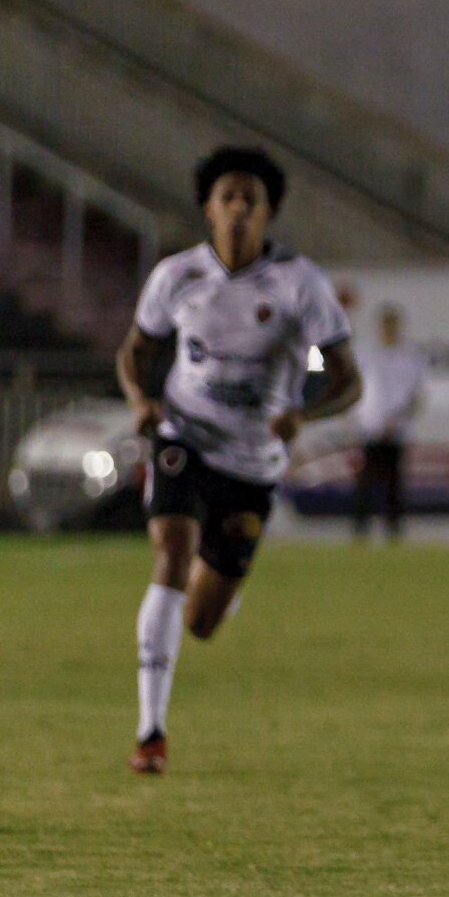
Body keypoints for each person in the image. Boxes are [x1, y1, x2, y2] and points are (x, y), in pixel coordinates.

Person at [117, 146, 361, 775]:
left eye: (251, 199)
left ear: (269, 212)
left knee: (202, 622)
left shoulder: (299, 284)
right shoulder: (177, 276)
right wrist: (141, 399)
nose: (238, 209)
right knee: (169, 551)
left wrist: (304, 413)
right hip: (182, 436)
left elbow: (348, 380)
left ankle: (217, 585)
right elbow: (134, 350)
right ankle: (151, 732)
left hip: (252, 462)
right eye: (227, 196)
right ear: (208, 207)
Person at [351, 305, 426, 540]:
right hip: (371, 428)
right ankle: (360, 529)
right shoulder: (367, 354)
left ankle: (393, 530)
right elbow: (357, 390)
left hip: (397, 430)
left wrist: (402, 419)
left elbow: (416, 395)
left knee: (395, 483)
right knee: (365, 482)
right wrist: (357, 420)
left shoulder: (409, 357)